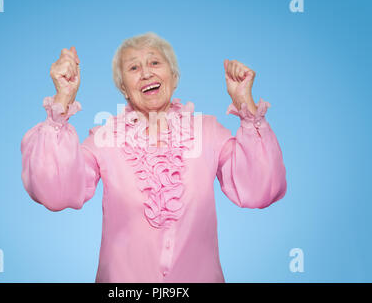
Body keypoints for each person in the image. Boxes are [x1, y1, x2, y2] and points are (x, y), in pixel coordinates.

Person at [20, 32, 287, 282]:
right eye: (134, 68)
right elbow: (55, 191)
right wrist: (63, 98)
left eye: (155, 62)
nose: (146, 72)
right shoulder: (105, 138)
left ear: (173, 75)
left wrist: (245, 103)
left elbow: (258, 190)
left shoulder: (207, 132)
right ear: (124, 88)